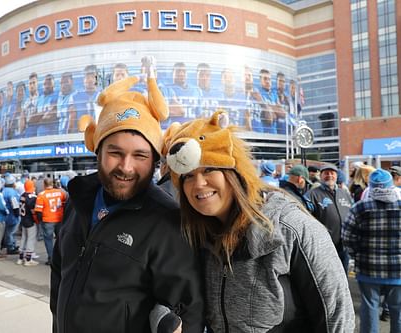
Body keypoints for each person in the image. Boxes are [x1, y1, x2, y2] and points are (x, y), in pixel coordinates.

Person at [163, 110, 355, 331]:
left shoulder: (290, 227)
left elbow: (337, 318)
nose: (198, 184)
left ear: (235, 172)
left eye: (209, 169)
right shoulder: (198, 235)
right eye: (187, 176)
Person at [51, 74, 204, 332]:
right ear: (97, 151)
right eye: (115, 153)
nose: (126, 167)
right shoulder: (77, 201)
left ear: (155, 160)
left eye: (140, 155)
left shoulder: (167, 222)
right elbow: (59, 274)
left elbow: (188, 313)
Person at [342, 169, 401, 333]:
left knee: (369, 308)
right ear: (391, 185)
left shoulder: (360, 207)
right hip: (398, 271)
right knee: (398, 310)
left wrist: (357, 255)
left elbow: (347, 237)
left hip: (368, 268)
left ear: (372, 186)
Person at [305, 164, 353, 273]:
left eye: (332, 173)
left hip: (344, 245)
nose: (329, 175)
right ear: (321, 176)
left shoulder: (344, 193)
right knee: (327, 275)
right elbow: (306, 218)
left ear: (337, 176)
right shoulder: (312, 194)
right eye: (326, 173)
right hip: (324, 245)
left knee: (343, 274)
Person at [35, 178, 66, 265]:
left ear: (44, 185)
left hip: (48, 220)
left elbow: (38, 211)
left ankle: (51, 258)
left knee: (49, 239)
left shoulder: (41, 195)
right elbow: (65, 204)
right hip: (59, 218)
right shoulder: (60, 192)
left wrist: (40, 221)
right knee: (60, 239)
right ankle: (61, 256)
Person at [68, 64, 101, 129]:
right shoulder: (74, 97)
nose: (90, 80)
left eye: (93, 77)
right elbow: (71, 121)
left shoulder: (103, 96)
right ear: (83, 79)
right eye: (87, 77)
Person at [17, 179, 39, 266]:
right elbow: (33, 211)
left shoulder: (22, 195)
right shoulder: (32, 197)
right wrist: (37, 220)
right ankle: (28, 259)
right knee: (30, 239)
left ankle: (20, 257)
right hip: (30, 220)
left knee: (24, 238)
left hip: (23, 219)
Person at [2, 174, 21, 255]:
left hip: (5, 214)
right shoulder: (12, 192)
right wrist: (17, 214)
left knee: (8, 231)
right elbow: (15, 205)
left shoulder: (3, 190)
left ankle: (11, 244)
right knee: (11, 232)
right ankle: (11, 247)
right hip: (12, 215)